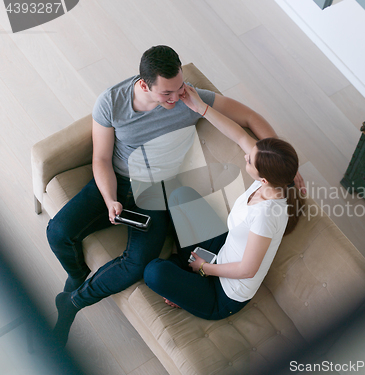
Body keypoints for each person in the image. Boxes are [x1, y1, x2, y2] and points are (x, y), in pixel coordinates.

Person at [47, 45, 304, 346]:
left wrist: (276, 161)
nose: (177, 97)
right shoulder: (112, 102)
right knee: (58, 231)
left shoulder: (190, 99)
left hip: (154, 191)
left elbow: (248, 117)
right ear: (144, 85)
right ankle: (77, 274)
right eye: (167, 93)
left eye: (180, 87)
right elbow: (101, 159)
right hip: (114, 179)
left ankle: (72, 303)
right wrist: (109, 198)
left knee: (138, 263)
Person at [143, 85, 305, 320]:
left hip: (224, 292)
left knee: (154, 273)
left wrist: (203, 268)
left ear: (264, 178)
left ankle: (185, 276)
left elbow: (247, 270)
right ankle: (183, 273)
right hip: (221, 248)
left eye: (249, 161)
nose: (246, 155)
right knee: (180, 195)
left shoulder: (267, 215)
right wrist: (201, 107)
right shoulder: (271, 181)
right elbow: (240, 135)